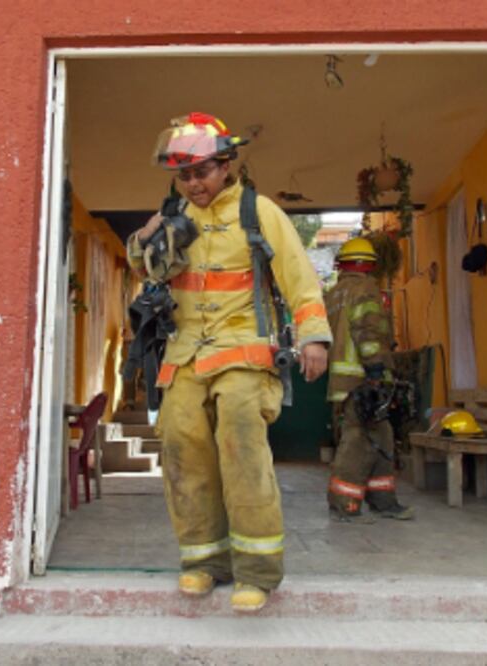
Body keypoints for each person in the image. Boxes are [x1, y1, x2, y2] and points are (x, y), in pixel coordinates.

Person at [126, 112, 332, 613]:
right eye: (185, 175)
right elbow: (141, 265)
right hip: (184, 355)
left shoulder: (258, 213)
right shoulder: (175, 215)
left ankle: (257, 570)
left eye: (203, 171)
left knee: (240, 442)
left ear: (226, 165)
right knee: (180, 447)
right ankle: (202, 562)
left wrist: (315, 338)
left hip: (242, 350)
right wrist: (144, 238)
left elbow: (299, 279)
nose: (194, 183)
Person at [323, 237, 414, 523]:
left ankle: (383, 499)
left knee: (382, 437)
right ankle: (344, 503)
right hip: (363, 381)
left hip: (342, 383)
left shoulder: (334, 293)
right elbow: (369, 332)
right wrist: (376, 371)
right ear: (370, 264)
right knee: (358, 441)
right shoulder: (366, 289)